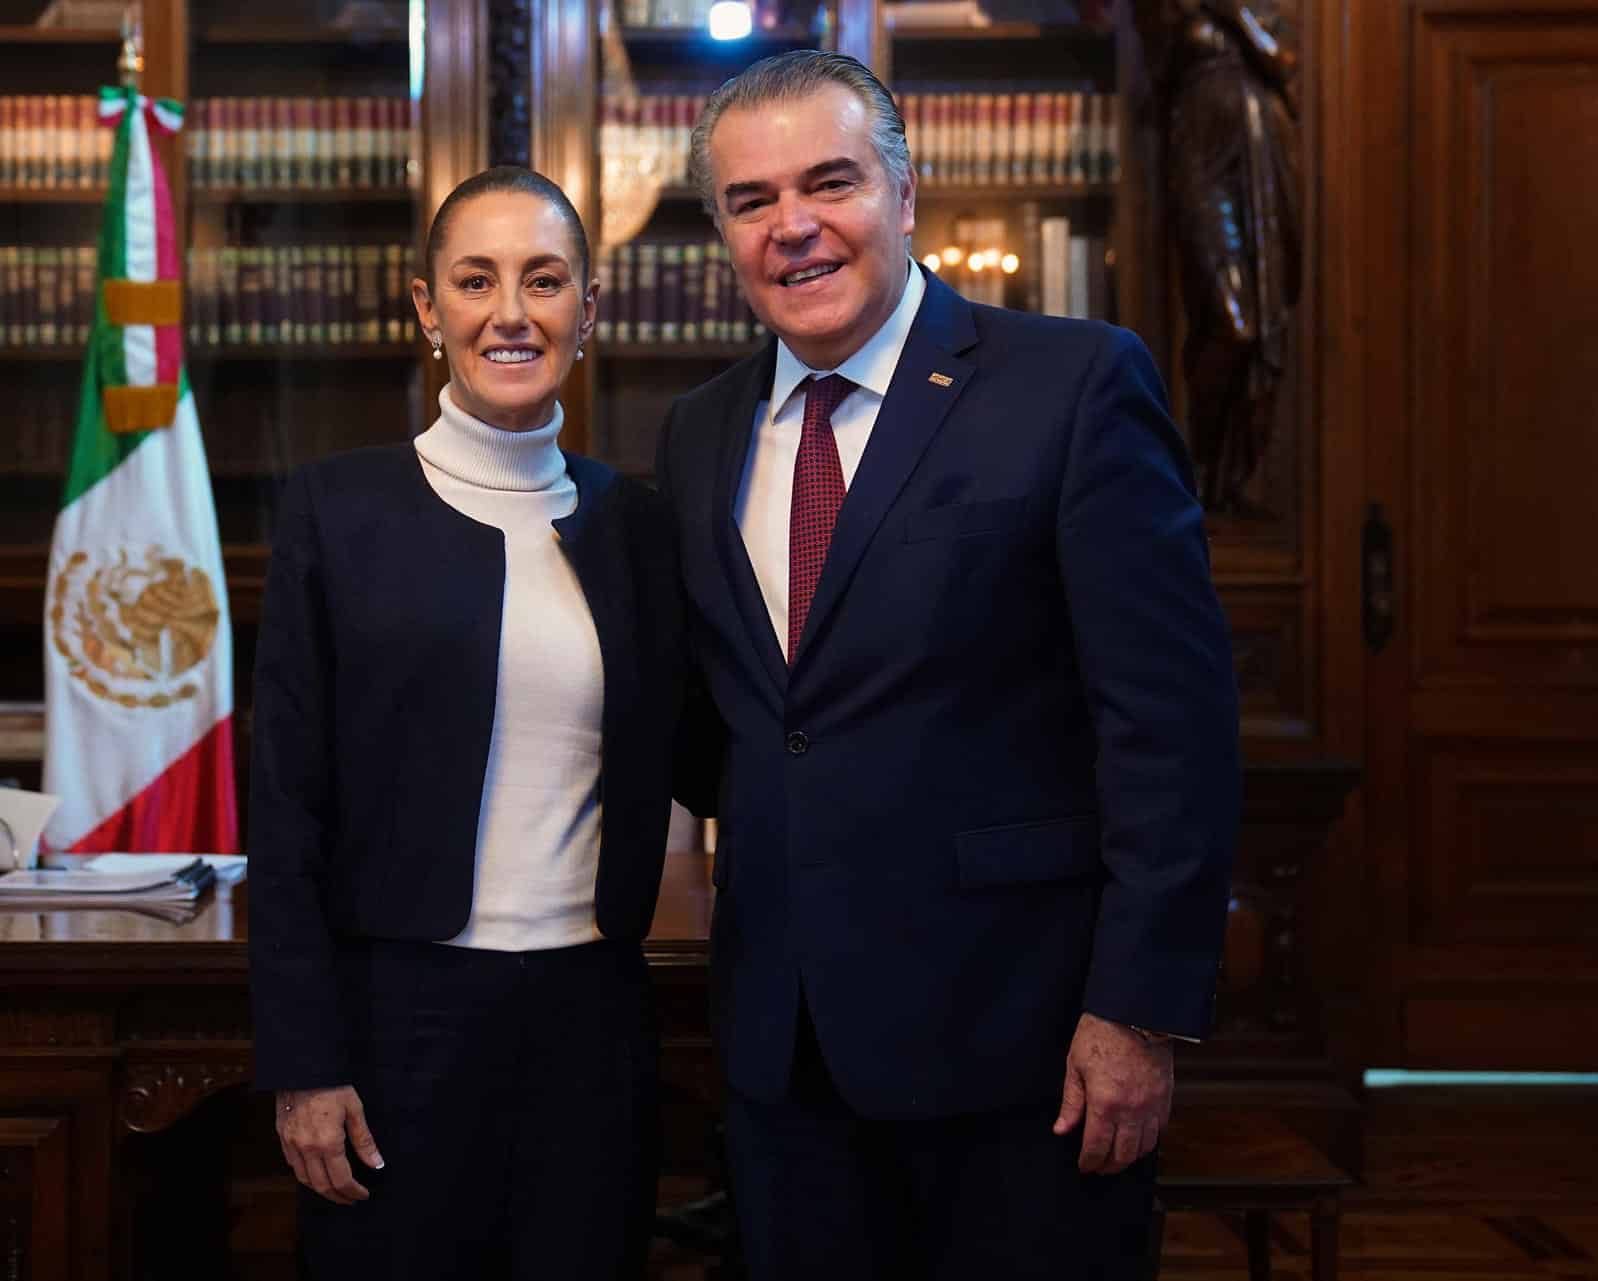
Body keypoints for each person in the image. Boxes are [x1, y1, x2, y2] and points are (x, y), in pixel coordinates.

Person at [655, 51, 1241, 1279]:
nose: (795, 227)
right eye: (753, 201)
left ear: (906, 196)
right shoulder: (700, 430)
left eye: (830, 182)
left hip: (1021, 1046)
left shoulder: (1073, 384)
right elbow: (740, 725)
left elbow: (1169, 729)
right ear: (722, 231)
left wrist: (1135, 1009)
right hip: (785, 1050)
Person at [250, 165, 707, 1280]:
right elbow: (285, 805)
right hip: (398, 1019)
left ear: (587, 313)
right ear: (427, 308)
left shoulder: (638, 525)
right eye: (476, 280)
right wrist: (305, 1063)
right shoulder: (337, 509)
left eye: (544, 280)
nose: (511, 311)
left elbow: (712, 749)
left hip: (591, 1014)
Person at [1158, 0, 1302, 515]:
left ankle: (1228, 479)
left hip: (1256, 146)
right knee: (1228, 320)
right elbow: (1156, 61)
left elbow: (1283, 62)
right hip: (1198, 151)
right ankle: (1195, 464)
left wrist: (1233, 12)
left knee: (1257, 324)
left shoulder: (1260, 9)